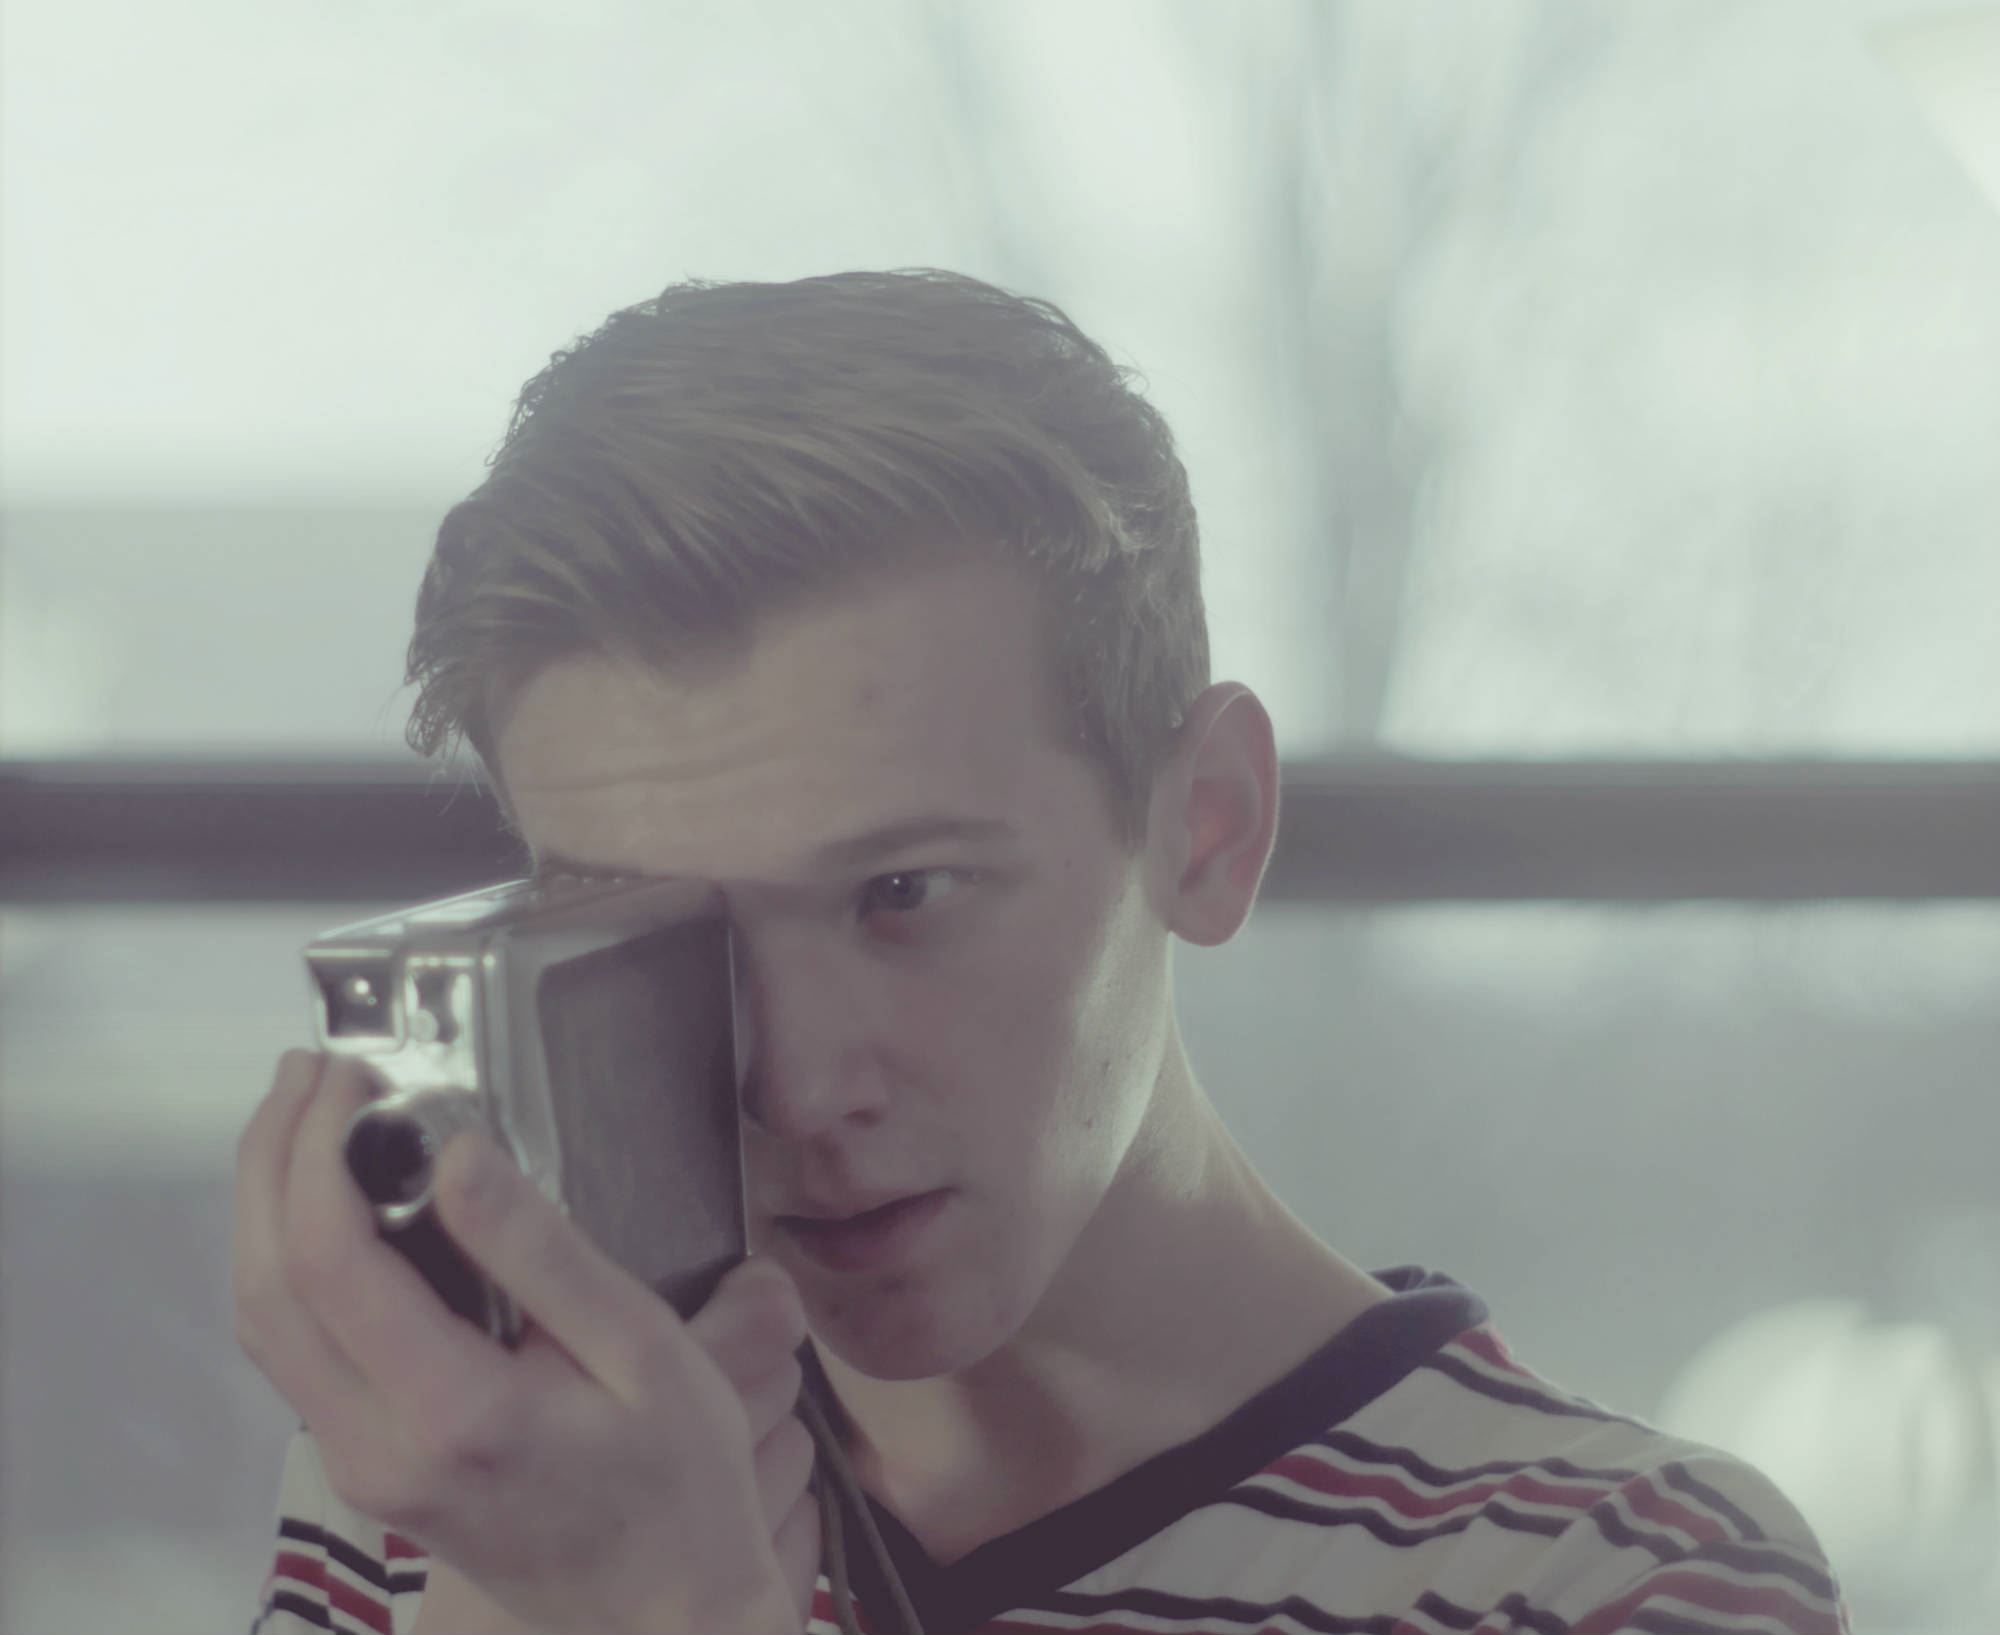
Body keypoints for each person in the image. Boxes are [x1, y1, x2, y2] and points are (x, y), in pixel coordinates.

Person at [238, 268, 1852, 1635]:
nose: (792, 1085)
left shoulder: (1608, 1576)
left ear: (1206, 826)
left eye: (904, 893)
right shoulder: (474, 1476)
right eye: (663, 934)